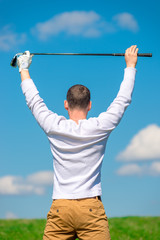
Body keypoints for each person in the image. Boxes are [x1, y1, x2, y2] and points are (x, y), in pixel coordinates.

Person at [17, 45, 138, 240]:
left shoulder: (54, 126)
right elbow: (122, 99)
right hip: (91, 208)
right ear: (90, 105)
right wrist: (130, 65)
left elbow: (34, 100)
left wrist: (24, 68)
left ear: (66, 104)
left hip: (60, 208)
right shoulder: (99, 127)